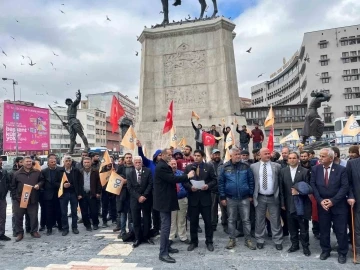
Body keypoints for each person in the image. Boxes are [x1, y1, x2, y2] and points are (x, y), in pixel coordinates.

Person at [153, 148, 194, 263]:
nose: (171, 157)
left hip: (167, 200)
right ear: (163, 155)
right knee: (166, 227)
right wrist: (187, 176)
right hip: (164, 202)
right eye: (169, 155)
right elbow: (172, 179)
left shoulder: (164, 165)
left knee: (167, 226)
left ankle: (167, 247)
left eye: (171, 155)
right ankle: (163, 253)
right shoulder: (162, 166)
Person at [310, 148, 348, 264]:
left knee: (341, 230)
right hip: (322, 206)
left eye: (323, 156)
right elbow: (313, 185)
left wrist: (333, 201)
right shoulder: (315, 169)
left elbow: (344, 187)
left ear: (331, 158)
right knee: (324, 229)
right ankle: (325, 250)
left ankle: (342, 252)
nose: (320, 158)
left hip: (338, 205)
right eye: (320, 156)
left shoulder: (341, 170)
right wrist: (320, 200)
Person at [218, 146, 256, 250]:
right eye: (236, 154)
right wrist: (223, 197)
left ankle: (248, 239)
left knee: (246, 220)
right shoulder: (224, 167)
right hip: (230, 198)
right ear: (231, 156)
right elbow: (221, 183)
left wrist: (250, 195)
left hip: (244, 198)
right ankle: (232, 239)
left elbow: (251, 181)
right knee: (231, 220)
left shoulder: (246, 166)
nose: (238, 156)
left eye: (239, 154)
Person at [184, 150, 217, 252]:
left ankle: (209, 242)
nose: (196, 157)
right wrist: (190, 187)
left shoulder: (209, 166)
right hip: (193, 198)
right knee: (193, 222)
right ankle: (194, 242)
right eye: (195, 155)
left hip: (205, 198)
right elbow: (184, 181)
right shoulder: (189, 167)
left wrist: (208, 186)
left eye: (198, 156)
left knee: (208, 222)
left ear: (202, 157)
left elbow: (214, 180)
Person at [279, 152, 312, 256]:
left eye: (294, 158)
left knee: (303, 227)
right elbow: (281, 189)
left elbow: (309, 188)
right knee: (291, 226)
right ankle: (294, 245)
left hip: (302, 203)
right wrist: (282, 203)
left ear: (298, 159)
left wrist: (299, 192)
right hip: (288, 204)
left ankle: (305, 246)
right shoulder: (283, 171)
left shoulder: (305, 171)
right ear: (287, 160)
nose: (292, 160)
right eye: (290, 158)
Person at [250, 148, 283, 250]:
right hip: (259, 197)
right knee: (259, 219)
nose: (268, 155)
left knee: (275, 219)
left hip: (273, 197)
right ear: (259, 155)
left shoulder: (277, 166)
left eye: (269, 153)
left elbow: (280, 183)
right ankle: (260, 239)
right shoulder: (253, 167)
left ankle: (277, 240)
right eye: (265, 154)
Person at [11, 156, 44, 242]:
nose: (29, 163)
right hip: (20, 199)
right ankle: (20, 233)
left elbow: (42, 181)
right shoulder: (17, 174)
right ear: (23, 163)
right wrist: (15, 197)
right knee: (18, 217)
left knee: (33, 216)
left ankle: (34, 231)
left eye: (30, 161)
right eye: (27, 162)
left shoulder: (37, 172)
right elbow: (13, 187)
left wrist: (39, 185)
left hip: (33, 198)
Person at [137, 140, 162, 236]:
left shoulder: (164, 165)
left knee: (160, 211)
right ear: (155, 156)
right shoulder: (149, 163)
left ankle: (159, 227)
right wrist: (139, 147)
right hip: (151, 191)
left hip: (161, 191)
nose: (160, 157)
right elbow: (142, 157)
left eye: (161, 155)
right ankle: (154, 228)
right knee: (153, 210)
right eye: (159, 155)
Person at [127, 156, 154, 248]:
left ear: (142, 163)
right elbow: (130, 188)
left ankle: (146, 236)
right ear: (134, 163)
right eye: (136, 162)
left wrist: (144, 196)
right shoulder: (130, 173)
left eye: (139, 162)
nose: (138, 164)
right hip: (135, 200)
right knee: (136, 219)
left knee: (147, 218)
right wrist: (138, 197)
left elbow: (150, 184)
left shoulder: (148, 171)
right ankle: (137, 238)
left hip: (146, 199)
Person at [41, 154, 64, 235]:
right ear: (48, 163)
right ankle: (49, 228)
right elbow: (42, 182)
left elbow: (62, 182)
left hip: (58, 194)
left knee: (59, 211)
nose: (53, 163)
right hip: (47, 195)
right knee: (48, 212)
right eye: (51, 162)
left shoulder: (60, 170)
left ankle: (61, 226)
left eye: (54, 162)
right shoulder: (44, 171)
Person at [168, 158, 189, 244]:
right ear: (169, 165)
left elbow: (186, 184)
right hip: (171, 201)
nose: (174, 166)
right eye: (172, 164)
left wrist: (186, 193)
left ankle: (183, 236)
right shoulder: (167, 174)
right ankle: (171, 237)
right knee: (172, 221)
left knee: (182, 219)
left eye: (175, 164)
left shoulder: (181, 173)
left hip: (182, 200)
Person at [60, 156, 81, 236]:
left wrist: (79, 193)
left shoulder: (76, 170)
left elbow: (79, 183)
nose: (68, 162)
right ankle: (65, 228)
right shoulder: (60, 171)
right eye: (66, 161)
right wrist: (63, 185)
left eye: (69, 160)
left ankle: (74, 227)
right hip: (63, 193)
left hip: (73, 193)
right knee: (63, 212)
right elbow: (55, 182)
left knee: (74, 212)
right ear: (63, 162)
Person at [78, 157, 101, 231]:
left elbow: (99, 183)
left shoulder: (95, 171)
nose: (86, 164)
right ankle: (87, 225)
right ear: (83, 163)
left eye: (88, 162)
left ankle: (95, 224)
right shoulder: (80, 172)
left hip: (92, 194)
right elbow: (77, 184)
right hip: (83, 194)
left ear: (91, 163)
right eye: (85, 162)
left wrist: (98, 192)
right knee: (84, 212)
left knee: (94, 211)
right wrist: (78, 194)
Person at [10, 157, 30, 236]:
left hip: (27, 194)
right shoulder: (13, 173)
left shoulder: (28, 171)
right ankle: (16, 230)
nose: (23, 164)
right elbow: (11, 186)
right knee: (16, 214)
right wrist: (14, 195)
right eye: (21, 162)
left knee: (28, 212)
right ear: (17, 163)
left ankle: (29, 228)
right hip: (17, 197)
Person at [116, 153, 133, 237]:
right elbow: (116, 179)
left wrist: (128, 181)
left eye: (130, 157)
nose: (129, 159)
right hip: (122, 193)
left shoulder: (134, 168)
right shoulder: (121, 168)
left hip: (132, 193)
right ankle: (122, 231)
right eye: (127, 158)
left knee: (131, 214)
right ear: (124, 159)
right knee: (123, 214)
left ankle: (131, 231)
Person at [207, 149, 225, 232]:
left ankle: (225, 224)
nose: (217, 156)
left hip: (222, 190)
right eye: (215, 154)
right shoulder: (208, 165)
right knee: (212, 209)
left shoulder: (224, 165)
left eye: (218, 154)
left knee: (224, 209)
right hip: (212, 191)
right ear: (212, 155)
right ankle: (213, 224)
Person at [347, 154, 360, 263]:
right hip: (357, 201)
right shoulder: (352, 163)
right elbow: (349, 183)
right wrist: (350, 196)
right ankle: (359, 252)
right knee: (358, 229)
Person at [0, 156, 10, 241]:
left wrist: (5, 191)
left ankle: (1, 233)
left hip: (2, 198)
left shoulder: (4, 171)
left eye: (0, 160)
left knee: (2, 217)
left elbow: (8, 183)